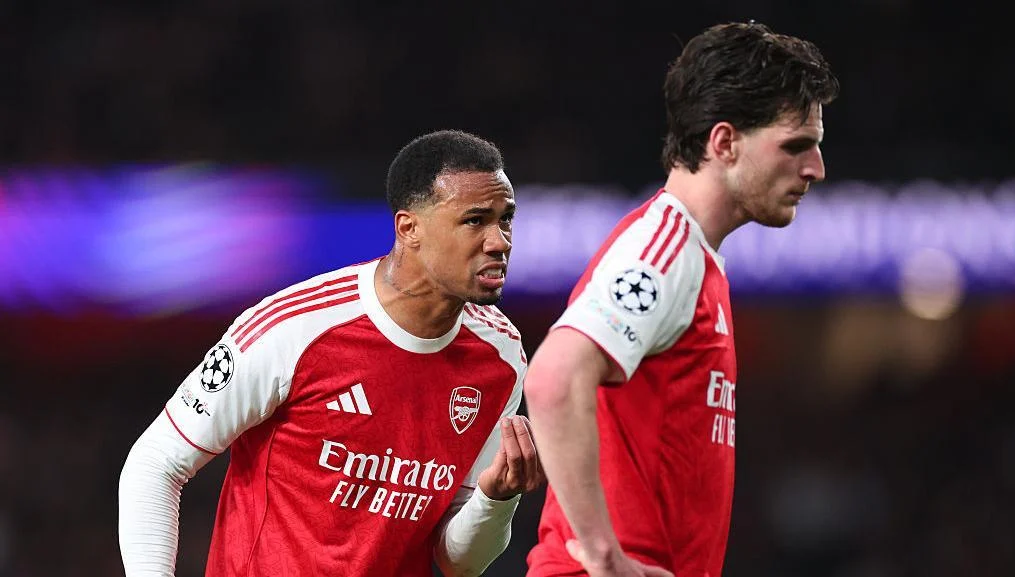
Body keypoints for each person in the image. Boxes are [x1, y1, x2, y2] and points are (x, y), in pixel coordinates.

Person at [118, 129, 545, 576]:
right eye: (475, 220)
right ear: (409, 228)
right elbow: (157, 462)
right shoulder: (296, 326)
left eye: (506, 219)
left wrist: (496, 499)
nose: (500, 241)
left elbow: (459, 563)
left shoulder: (500, 354)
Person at [524, 22, 840, 577]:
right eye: (795, 145)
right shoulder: (664, 249)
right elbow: (552, 377)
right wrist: (602, 555)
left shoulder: (694, 258)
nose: (815, 168)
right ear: (725, 143)